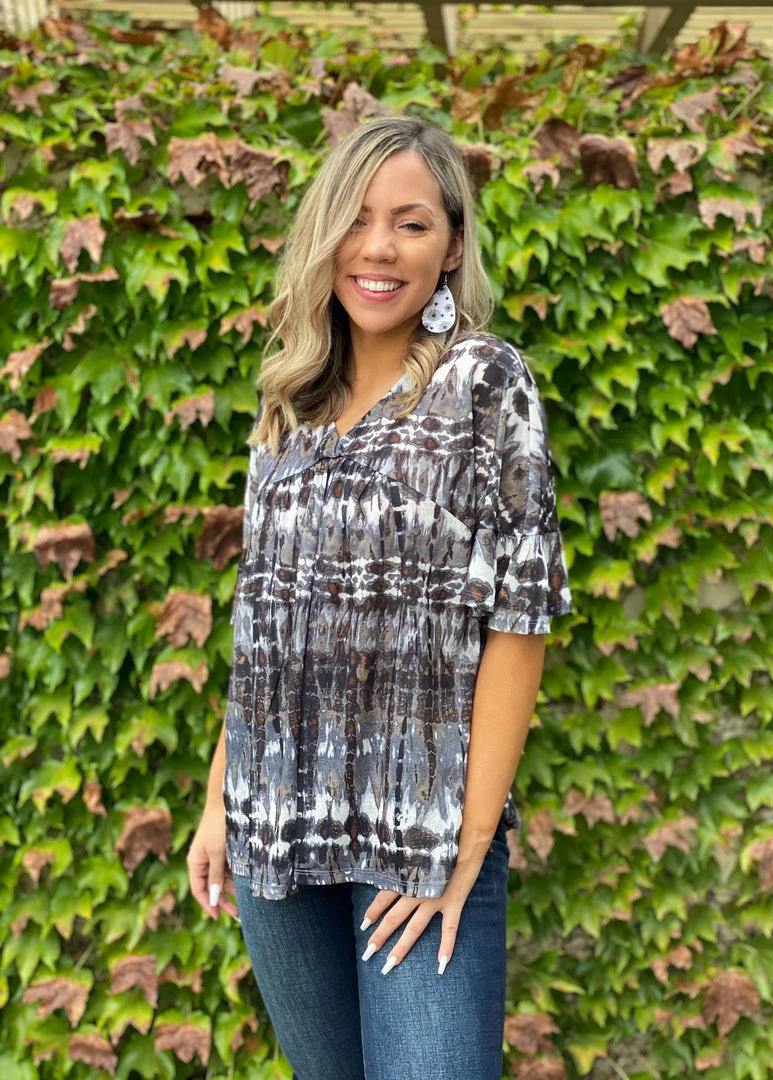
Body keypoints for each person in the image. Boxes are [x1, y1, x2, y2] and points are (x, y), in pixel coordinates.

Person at [187, 114, 574, 1080]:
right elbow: (264, 624)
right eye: (356, 220)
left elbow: (520, 616)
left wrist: (468, 844)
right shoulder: (289, 405)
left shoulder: (484, 381)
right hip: (276, 829)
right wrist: (219, 799)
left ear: (452, 246)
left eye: (410, 223)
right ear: (324, 237)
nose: (378, 247)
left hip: (422, 841)